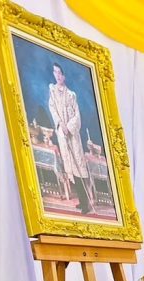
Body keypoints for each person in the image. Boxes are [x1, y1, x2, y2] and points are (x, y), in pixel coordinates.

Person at [48, 61, 95, 215]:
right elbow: (53, 110)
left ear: (64, 76)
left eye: (60, 73)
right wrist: (61, 125)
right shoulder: (52, 92)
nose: (57, 75)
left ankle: (86, 203)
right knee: (71, 168)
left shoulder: (71, 95)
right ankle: (81, 201)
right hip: (63, 134)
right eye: (55, 72)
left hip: (73, 136)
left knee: (78, 167)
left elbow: (77, 115)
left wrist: (69, 127)